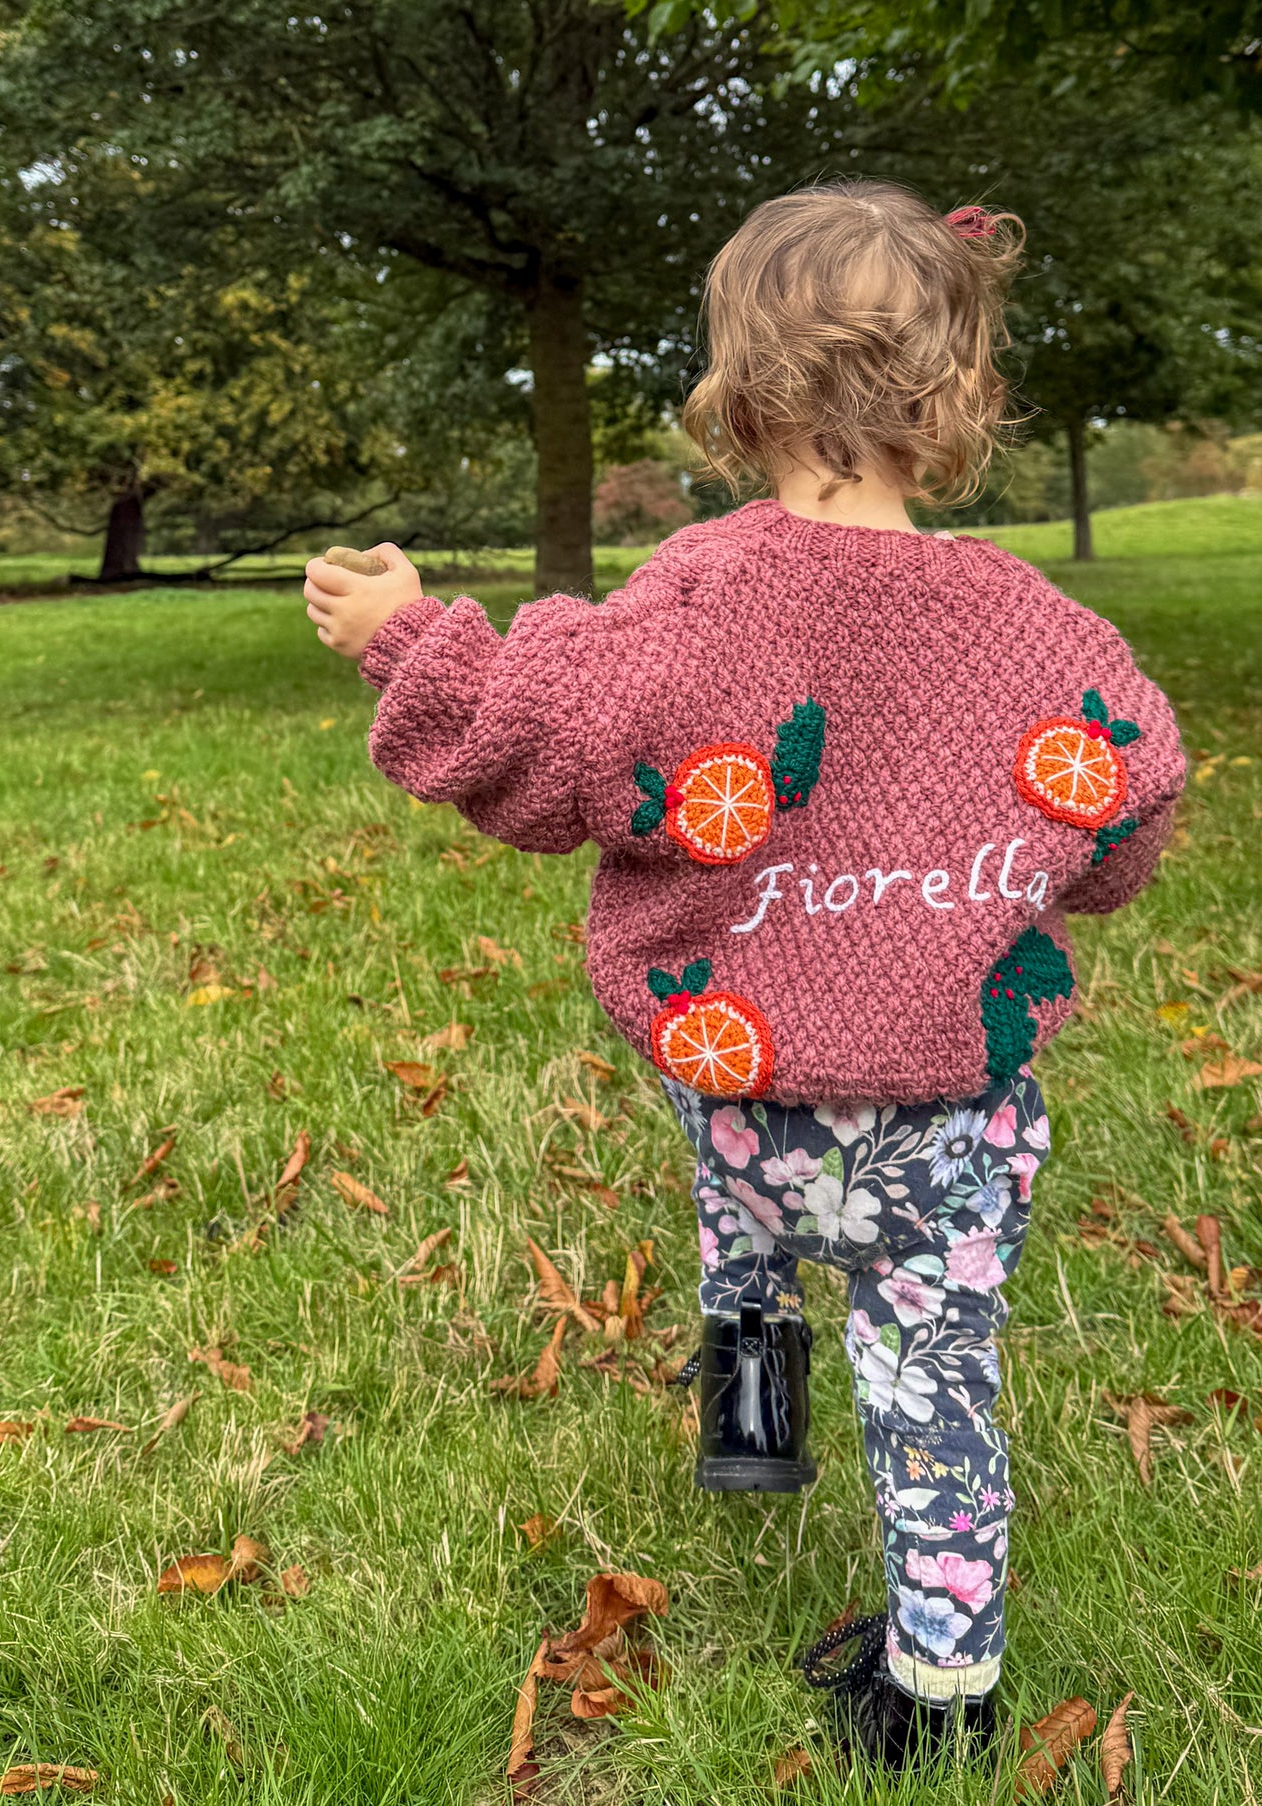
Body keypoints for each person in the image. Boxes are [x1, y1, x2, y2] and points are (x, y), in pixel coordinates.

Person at [302, 179, 1185, 1770]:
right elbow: (1128, 800)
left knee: (744, 1227)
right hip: (946, 1116)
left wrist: (405, 632)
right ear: (962, 393)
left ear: (738, 387)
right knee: (930, 1372)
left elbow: (544, 734)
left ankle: (755, 1433)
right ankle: (940, 1684)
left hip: (742, 1079)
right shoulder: (1034, 625)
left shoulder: (700, 591)